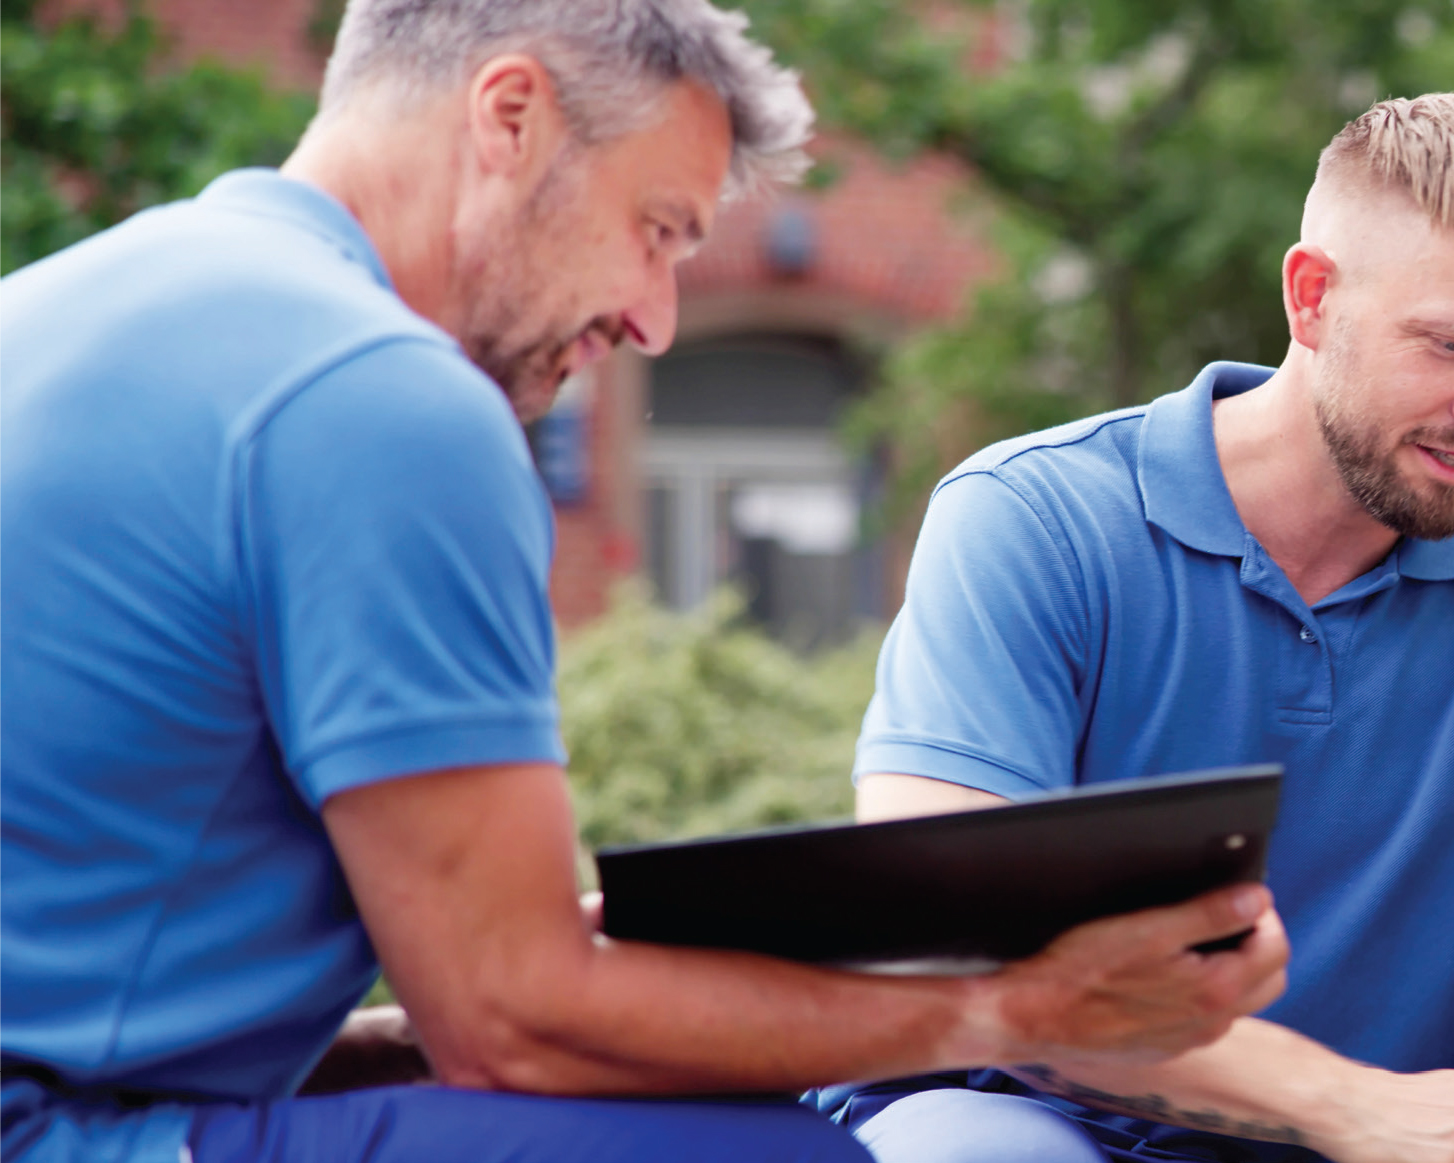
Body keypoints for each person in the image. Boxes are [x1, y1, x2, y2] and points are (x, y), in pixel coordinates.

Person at [0, 3, 1289, 1163]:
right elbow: (508, 1020)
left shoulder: (71, 302)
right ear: (509, 116)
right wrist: (1022, 1008)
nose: (655, 316)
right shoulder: (382, 400)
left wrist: (633, 973)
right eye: (656, 230)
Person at [821, 93, 1454, 1163]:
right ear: (1311, 297)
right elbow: (948, 947)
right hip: (1004, 1119)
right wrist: (1339, 1101)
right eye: (1453, 343)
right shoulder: (1033, 520)